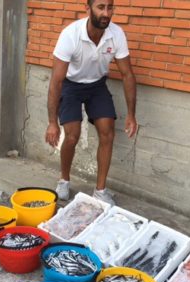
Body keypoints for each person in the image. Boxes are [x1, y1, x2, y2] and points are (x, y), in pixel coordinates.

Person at [45, 0, 138, 205]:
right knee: (72, 136)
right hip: (70, 85)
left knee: (108, 132)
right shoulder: (70, 35)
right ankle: (64, 180)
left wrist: (131, 114)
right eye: (101, 7)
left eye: (110, 7)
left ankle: (100, 191)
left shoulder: (116, 34)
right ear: (88, 9)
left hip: (97, 85)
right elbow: (56, 81)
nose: (106, 13)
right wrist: (52, 122)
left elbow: (127, 75)